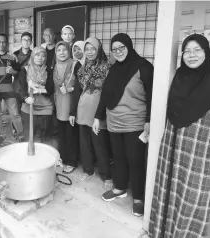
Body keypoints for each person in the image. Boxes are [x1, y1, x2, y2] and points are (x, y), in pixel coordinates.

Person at [149, 34, 210, 238]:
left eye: (197, 50)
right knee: (168, 190)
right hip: (172, 147)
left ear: (206, 52)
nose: (191, 55)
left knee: (192, 198)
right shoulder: (180, 75)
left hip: (200, 153)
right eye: (187, 51)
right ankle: (162, 232)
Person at [94, 33, 154, 217]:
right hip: (114, 122)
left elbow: (153, 95)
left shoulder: (143, 67)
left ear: (129, 46)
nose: (118, 52)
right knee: (118, 158)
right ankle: (119, 188)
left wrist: (149, 121)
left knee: (135, 161)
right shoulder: (113, 69)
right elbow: (105, 95)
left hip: (135, 124)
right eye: (114, 49)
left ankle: (138, 198)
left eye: (121, 48)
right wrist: (97, 117)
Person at [71, 37, 112, 186]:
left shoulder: (107, 67)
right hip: (83, 109)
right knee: (85, 143)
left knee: (100, 144)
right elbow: (77, 92)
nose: (89, 52)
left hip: (98, 111)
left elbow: (108, 93)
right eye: (87, 49)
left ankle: (107, 175)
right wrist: (73, 111)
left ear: (99, 49)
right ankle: (88, 170)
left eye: (92, 49)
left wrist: (100, 114)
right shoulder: (82, 69)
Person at [0, 33, 24, 145]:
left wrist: (13, 72)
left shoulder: (12, 57)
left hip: (8, 90)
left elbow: (18, 73)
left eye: (4, 42)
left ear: (6, 43)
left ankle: (20, 135)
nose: (1, 44)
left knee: (15, 113)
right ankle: (1, 135)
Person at [53, 41, 80, 174]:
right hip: (59, 104)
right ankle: (62, 158)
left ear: (69, 51)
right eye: (59, 50)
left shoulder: (75, 65)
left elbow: (81, 86)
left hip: (71, 104)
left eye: (65, 50)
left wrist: (70, 88)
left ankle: (72, 161)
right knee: (62, 134)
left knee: (71, 134)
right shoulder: (54, 66)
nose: (62, 52)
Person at [19, 46, 54, 143]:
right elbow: (21, 88)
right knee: (29, 137)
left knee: (42, 139)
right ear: (33, 56)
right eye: (37, 55)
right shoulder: (25, 70)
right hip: (29, 109)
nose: (40, 58)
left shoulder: (49, 71)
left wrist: (37, 88)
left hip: (45, 109)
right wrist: (26, 98)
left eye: (43, 56)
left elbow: (51, 89)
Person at [13, 32, 33, 113]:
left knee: (27, 112)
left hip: (29, 86)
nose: (26, 42)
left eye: (28, 40)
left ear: (31, 42)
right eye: (24, 40)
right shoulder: (15, 55)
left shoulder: (34, 54)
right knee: (16, 112)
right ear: (21, 41)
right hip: (17, 87)